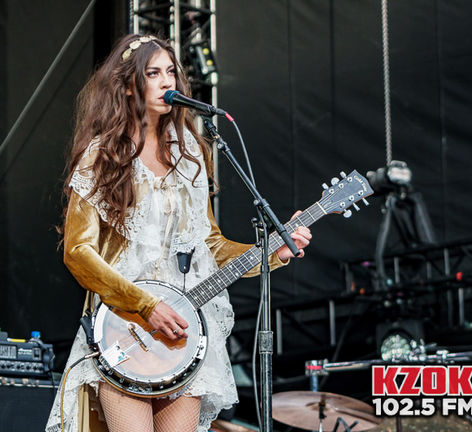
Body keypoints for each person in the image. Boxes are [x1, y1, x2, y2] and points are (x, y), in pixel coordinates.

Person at [45, 34, 312, 432]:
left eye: (171, 72)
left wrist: (272, 252)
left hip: (184, 331)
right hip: (127, 326)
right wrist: (145, 305)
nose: (167, 82)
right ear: (128, 83)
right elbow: (78, 251)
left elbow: (209, 244)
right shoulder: (103, 154)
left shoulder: (191, 153)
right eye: (153, 73)